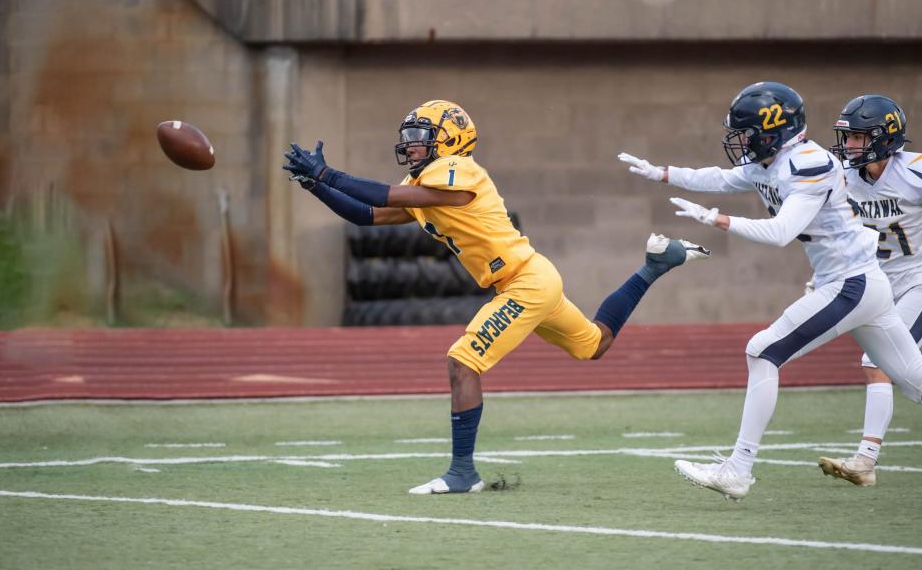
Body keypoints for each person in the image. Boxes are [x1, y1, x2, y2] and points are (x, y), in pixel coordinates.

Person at [284, 99, 710, 495]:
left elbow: (381, 195)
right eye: (410, 137)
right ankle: (654, 265)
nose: (411, 146)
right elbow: (368, 214)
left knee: (463, 361)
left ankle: (463, 473)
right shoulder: (428, 184)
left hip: (525, 282)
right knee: (595, 345)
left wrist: (327, 174)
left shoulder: (459, 172)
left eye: (420, 136)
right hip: (529, 280)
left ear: (450, 139)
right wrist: (314, 185)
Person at [619, 81, 922, 501]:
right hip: (864, 280)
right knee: (916, 382)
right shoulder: (773, 161)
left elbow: (783, 232)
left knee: (762, 350)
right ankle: (740, 469)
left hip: (852, 282)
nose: (743, 142)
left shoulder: (808, 163)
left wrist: (718, 221)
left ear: (772, 130)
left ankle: (738, 469)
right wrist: (663, 173)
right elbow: (722, 177)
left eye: (748, 133)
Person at [816, 95, 922, 486]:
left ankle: (865, 461)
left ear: (884, 138)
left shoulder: (918, 172)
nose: (849, 147)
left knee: (876, 362)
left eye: (859, 138)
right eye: (847, 138)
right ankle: (865, 463)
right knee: (908, 376)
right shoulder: (844, 180)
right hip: (880, 285)